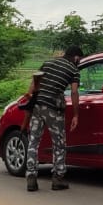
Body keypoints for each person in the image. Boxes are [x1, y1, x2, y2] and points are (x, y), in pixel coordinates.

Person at [25, 46, 83, 193]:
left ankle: (31, 178)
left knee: (33, 141)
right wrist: (76, 114)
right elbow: (74, 92)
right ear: (76, 57)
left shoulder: (48, 63)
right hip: (53, 108)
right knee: (59, 143)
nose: (79, 62)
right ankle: (58, 178)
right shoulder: (74, 70)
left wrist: (28, 99)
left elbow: (34, 83)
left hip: (37, 105)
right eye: (79, 59)